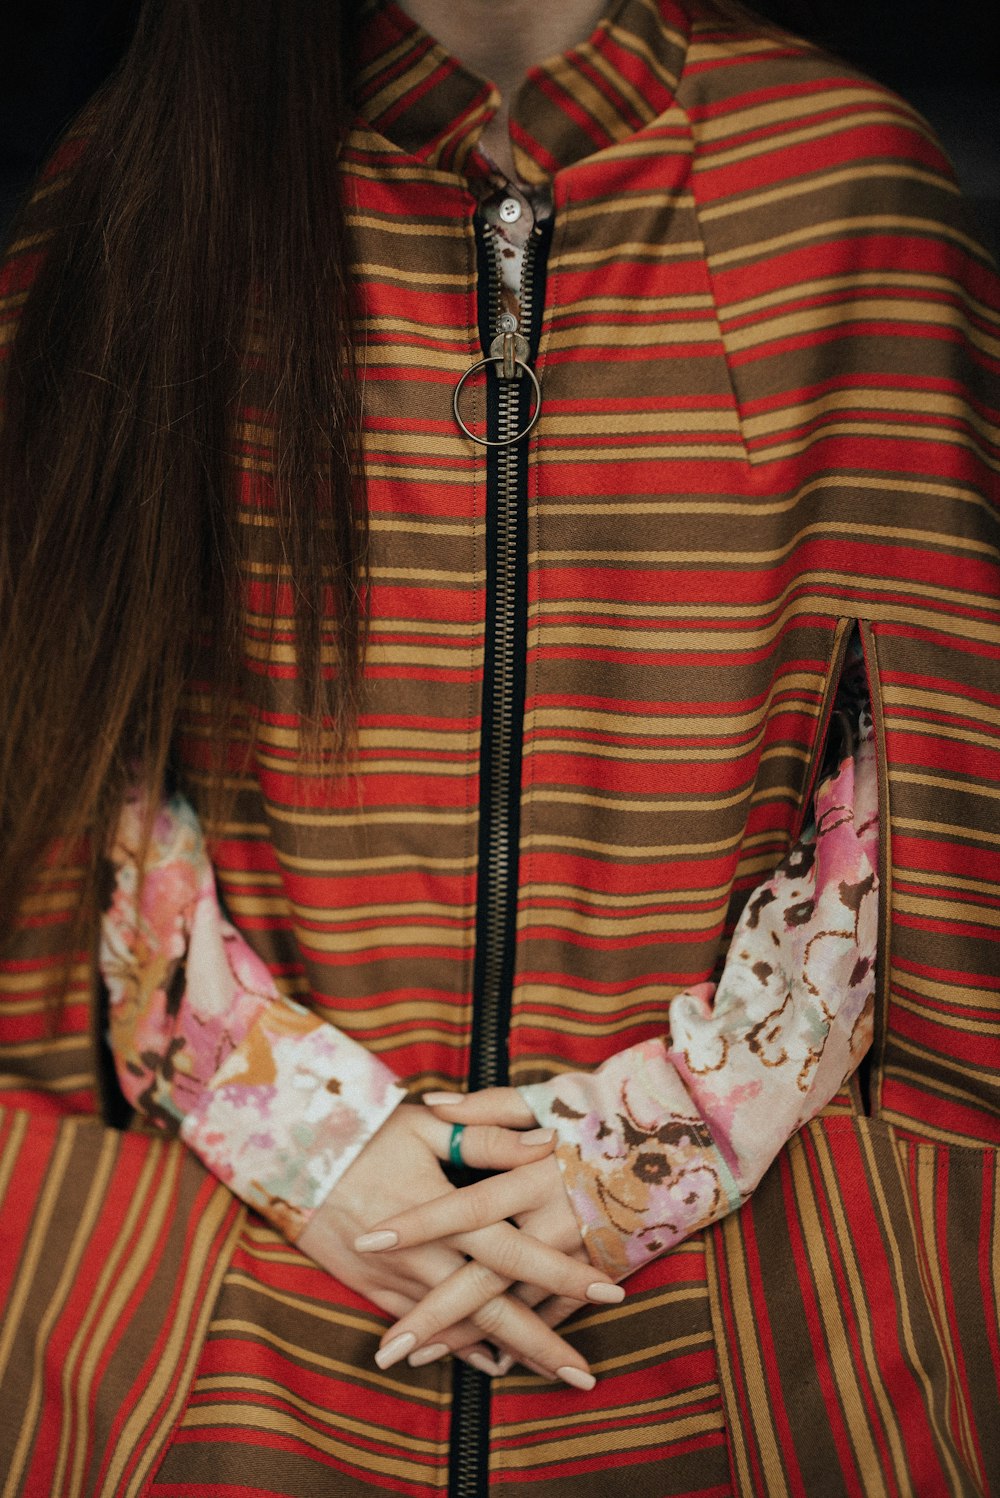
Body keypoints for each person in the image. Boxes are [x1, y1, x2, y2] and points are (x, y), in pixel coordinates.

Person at [1, 0, 998, 1494]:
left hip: (746, 1372)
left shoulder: (842, 188)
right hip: (236, 1375)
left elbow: (938, 804)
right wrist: (308, 1134)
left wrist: (663, 1143)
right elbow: (61, 787)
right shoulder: (134, 193)